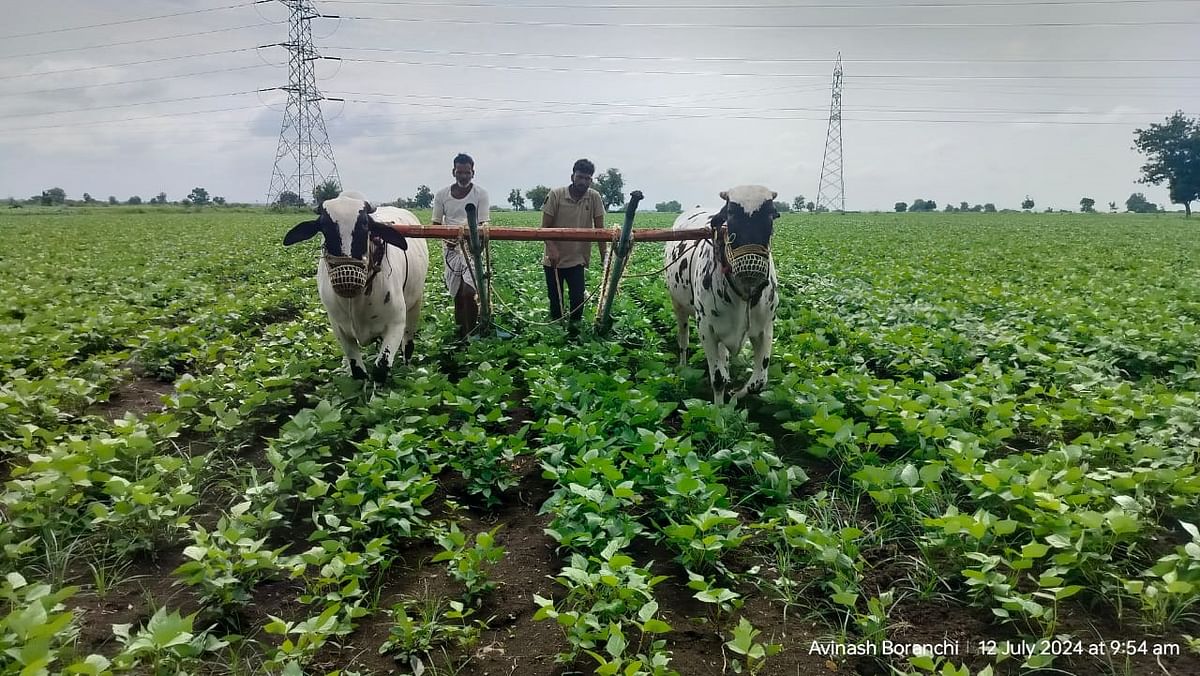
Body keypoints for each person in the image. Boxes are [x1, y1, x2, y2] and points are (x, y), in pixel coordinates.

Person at [541, 158, 607, 329]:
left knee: (578, 299)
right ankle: (557, 333)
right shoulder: (556, 195)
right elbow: (544, 228)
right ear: (572, 177)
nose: (583, 181)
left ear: (591, 180)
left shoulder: (594, 198)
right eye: (580, 177)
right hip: (553, 260)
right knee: (556, 300)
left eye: (587, 178)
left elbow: (601, 230)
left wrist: (604, 258)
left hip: (577, 258)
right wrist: (551, 248)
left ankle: (574, 332)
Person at [432, 153, 490, 340]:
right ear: (453, 172)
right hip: (450, 249)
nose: (463, 176)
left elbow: (482, 224)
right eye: (460, 172)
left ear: (473, 173)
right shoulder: (442, 195)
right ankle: (461, 333)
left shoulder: (480, 194)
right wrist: (447, 239)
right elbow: (436, 225)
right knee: (457, 293)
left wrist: (473, 242)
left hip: (473, 248)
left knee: (469, 292)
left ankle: (471, 332)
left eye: (467, 172)